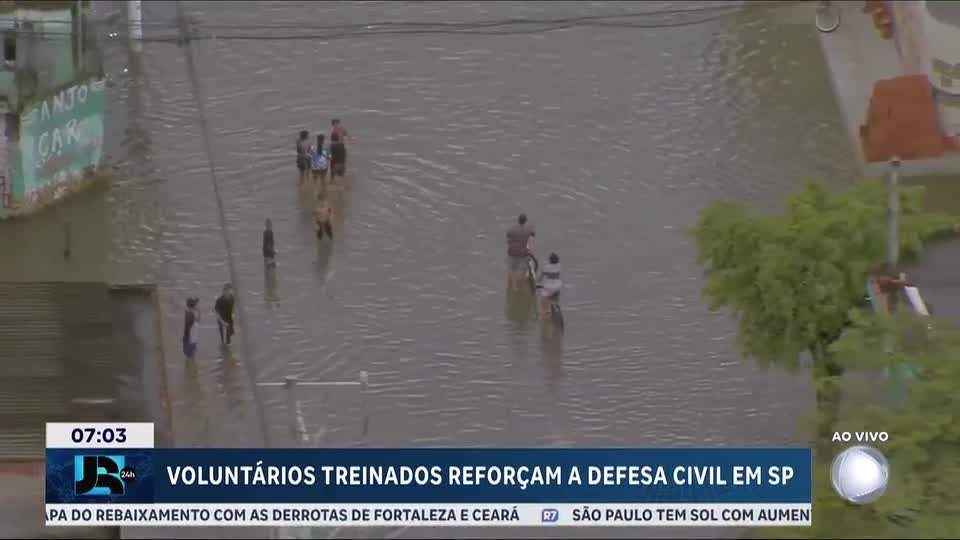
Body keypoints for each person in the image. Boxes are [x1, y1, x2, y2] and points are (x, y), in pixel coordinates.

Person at [505, 214, 535, 291]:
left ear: (518, 220)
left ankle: (514, 286)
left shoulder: (512, 229)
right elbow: (532, 235)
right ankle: (522, 283)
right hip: (523, 253)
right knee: (524, 268)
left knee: (513, 269)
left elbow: (508, 237)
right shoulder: (529, 229)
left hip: (512, 252)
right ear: (525, 221)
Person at [537, 252, 563, 318]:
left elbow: (540, 278)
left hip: (548, 287)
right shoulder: (559, 266)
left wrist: (537, 283)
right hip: (557, 286)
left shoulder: (546, 267)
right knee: (556, 299)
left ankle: (544, 315)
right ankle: (556, 308)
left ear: (550, 260)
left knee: (542, 301)